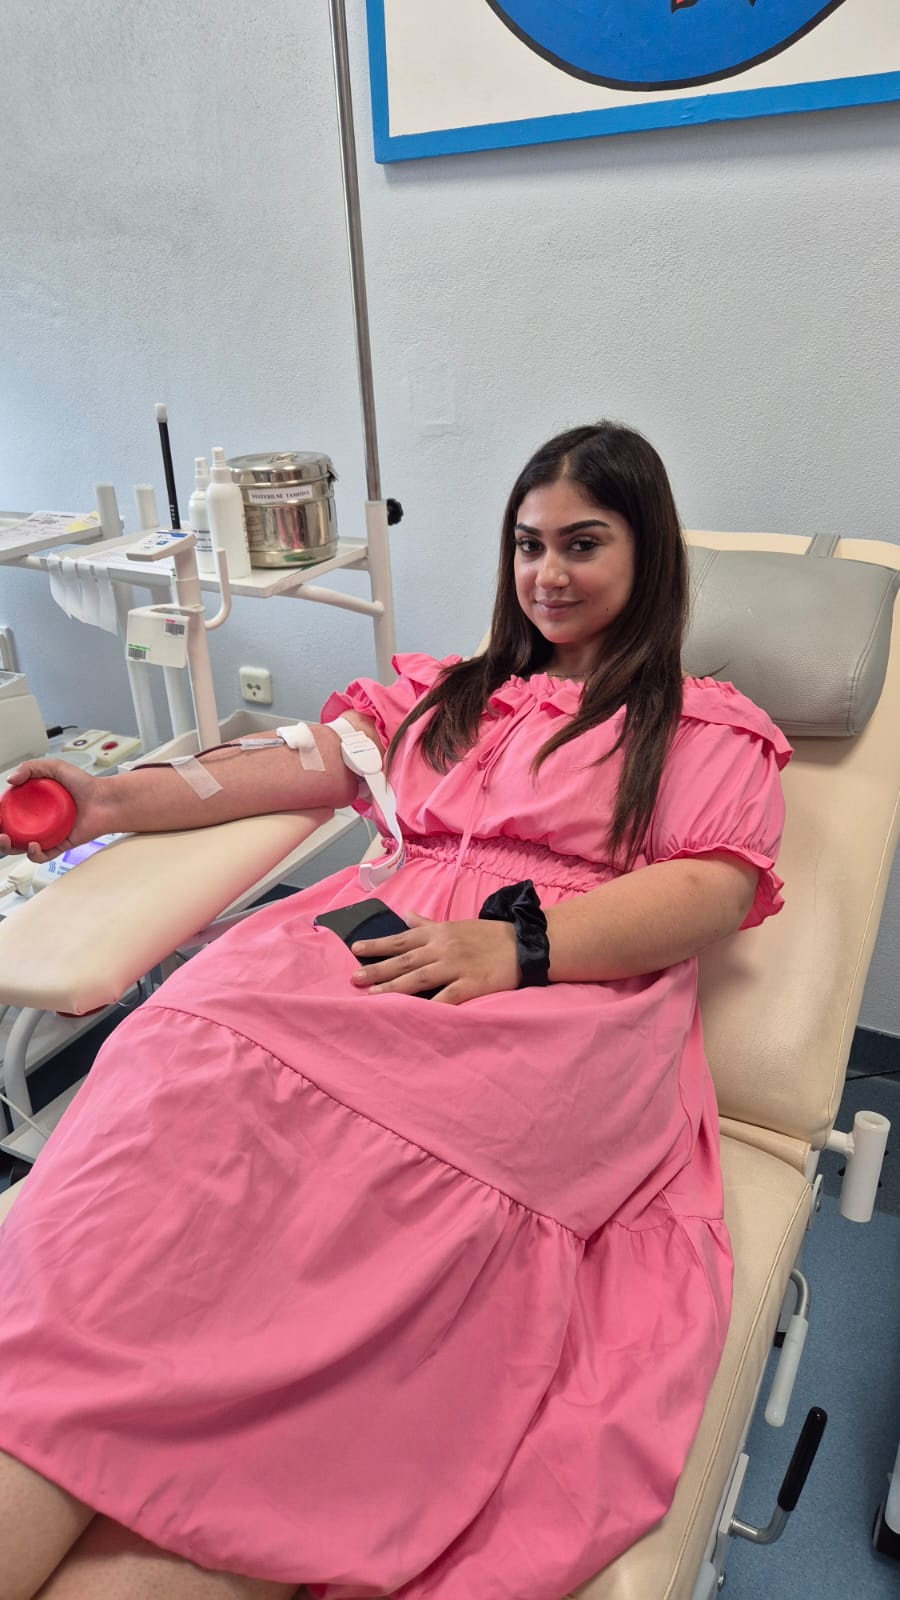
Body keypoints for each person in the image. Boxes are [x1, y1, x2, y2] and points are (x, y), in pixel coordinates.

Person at [0, 421, 790, 1600]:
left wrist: (519, 943)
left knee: (389, 1193)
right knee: (191, 1046)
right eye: (527, 543)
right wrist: (107, 796)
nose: (547, 573)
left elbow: (710, 890)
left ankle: (254, 1472)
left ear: (649, 553)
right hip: (370, 957)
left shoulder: (699, 726)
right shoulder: (448, 695)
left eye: (584, 543)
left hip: (554, 998)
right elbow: (284, 764)